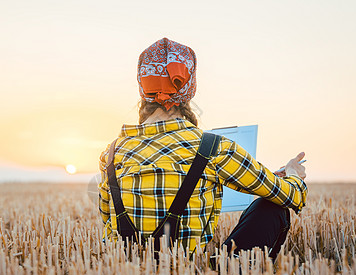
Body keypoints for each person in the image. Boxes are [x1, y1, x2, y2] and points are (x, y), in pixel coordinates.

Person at [98, 37, 307, 261]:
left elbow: (107, 220)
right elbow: (292, 197)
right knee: (273, 207)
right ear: (189, 90)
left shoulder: (111, 153)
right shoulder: (216, 148)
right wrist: (294, 174)